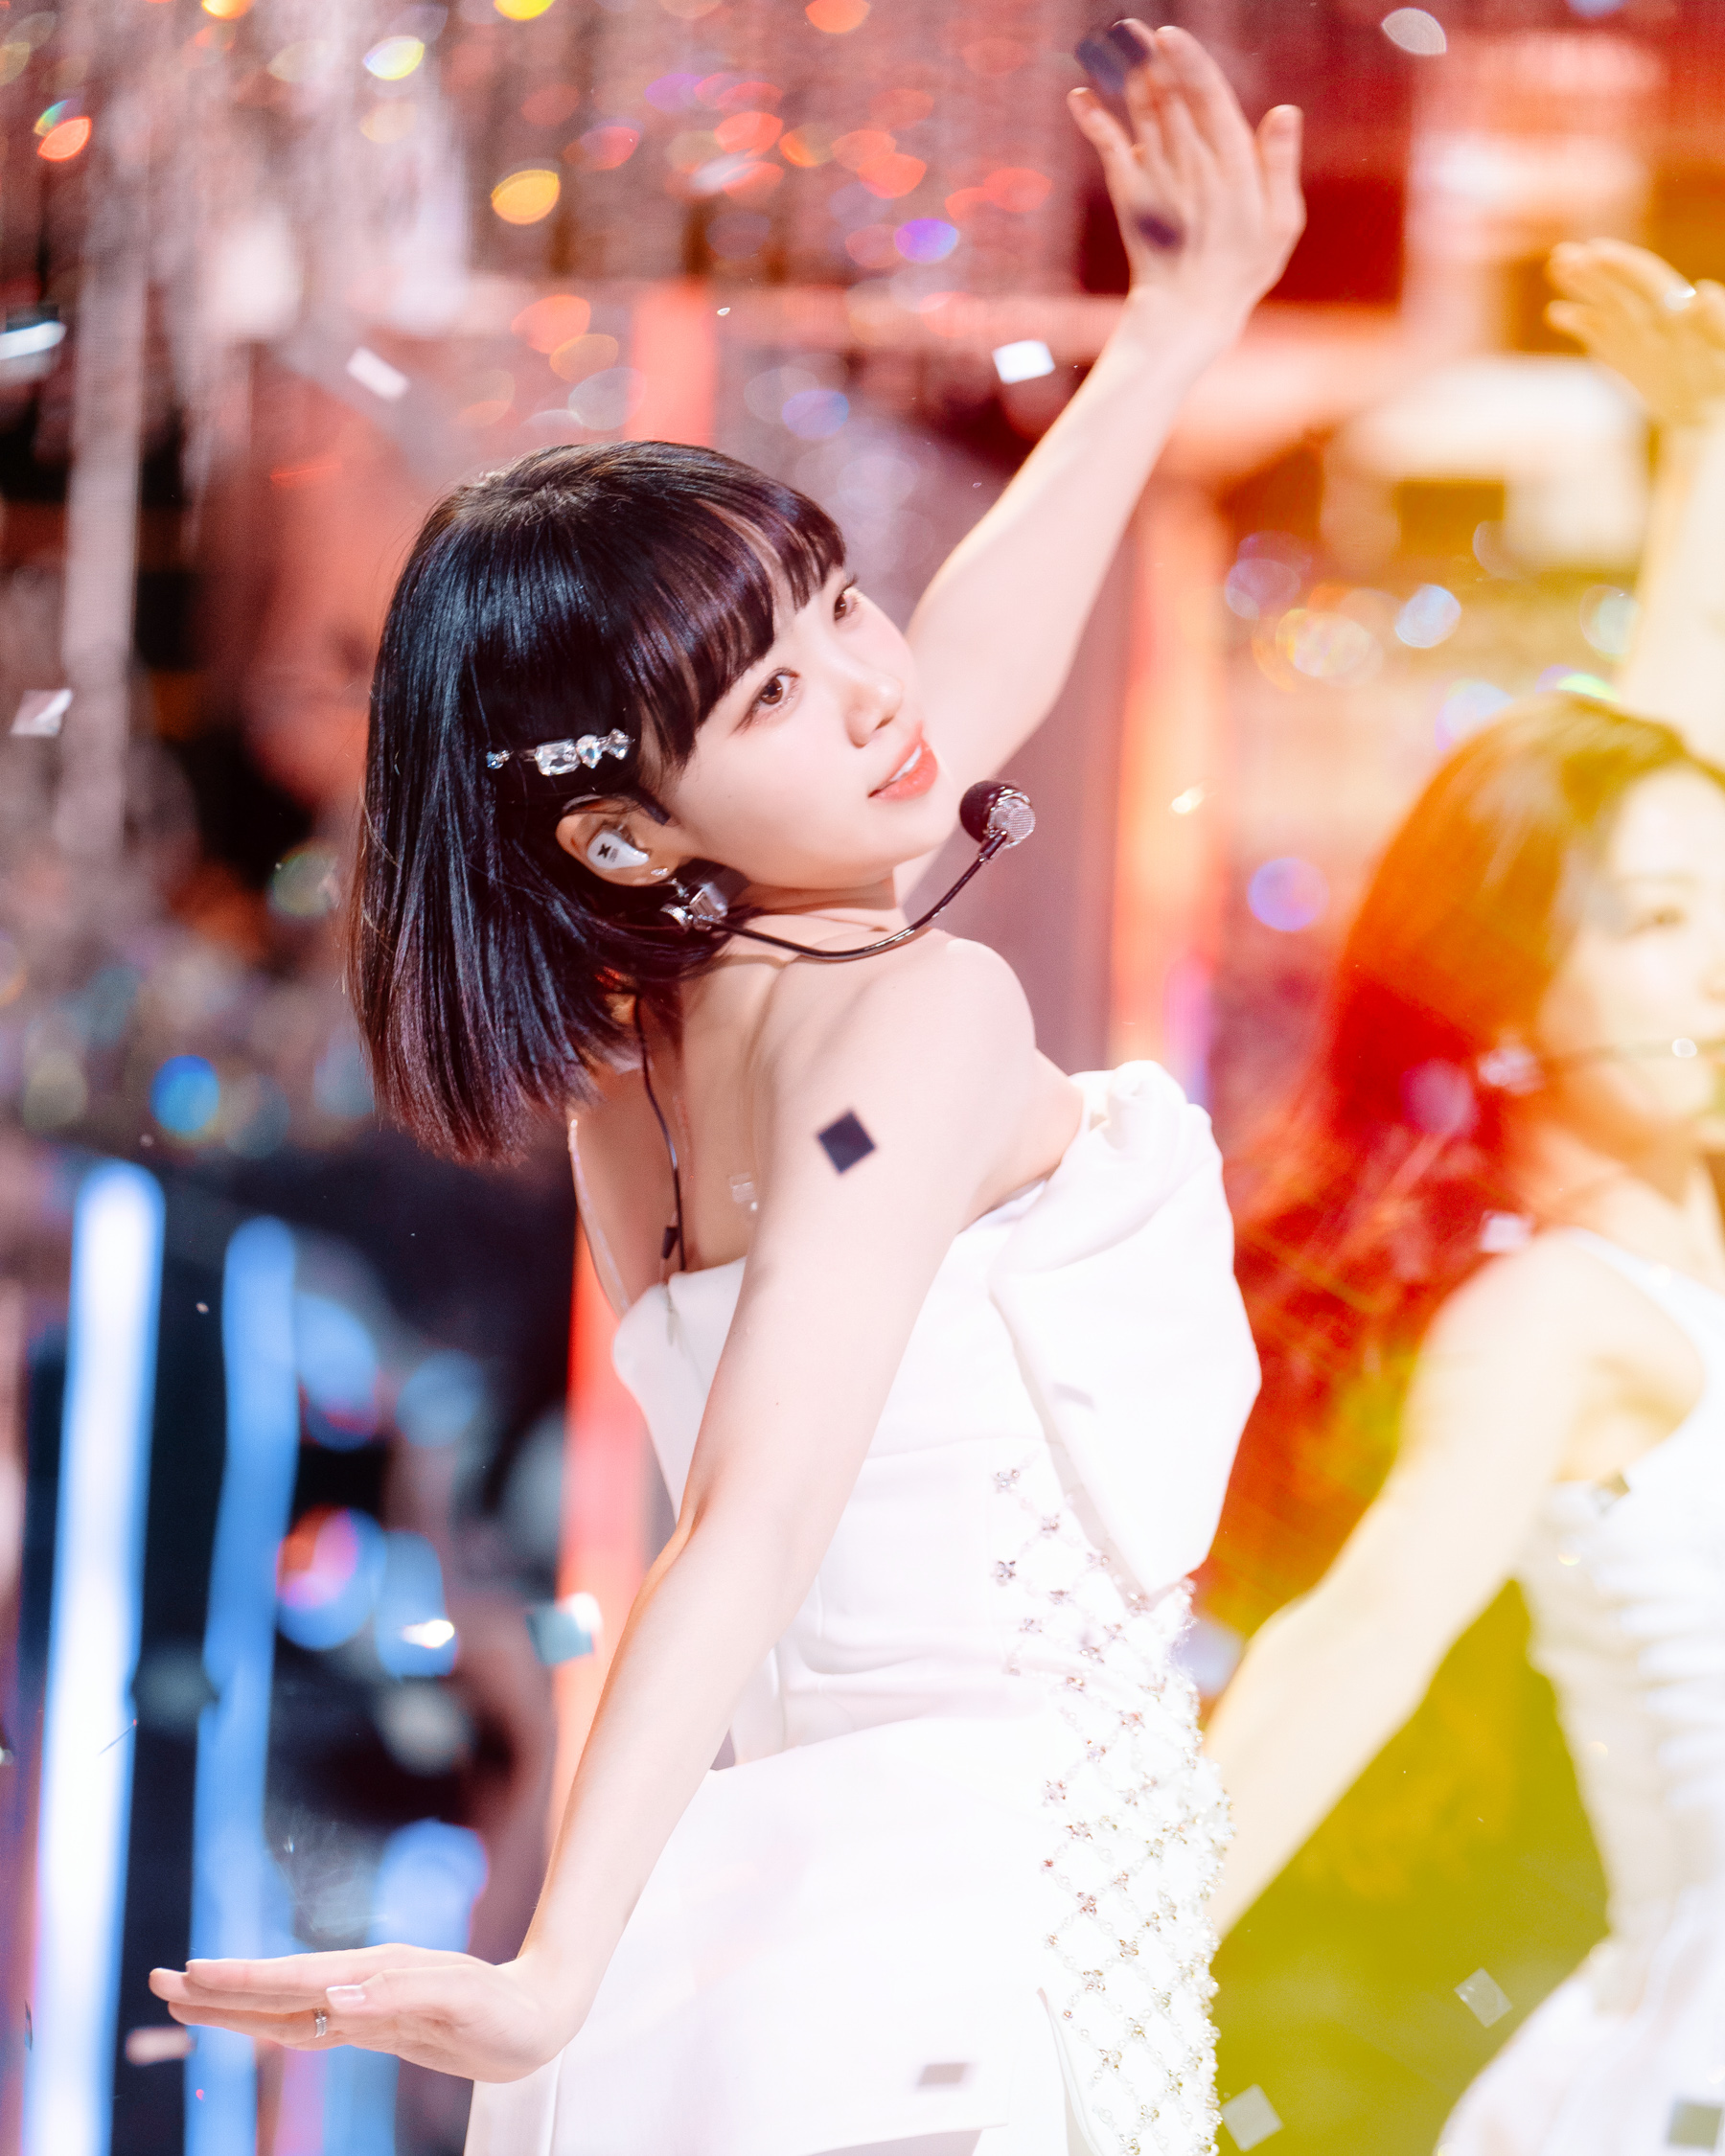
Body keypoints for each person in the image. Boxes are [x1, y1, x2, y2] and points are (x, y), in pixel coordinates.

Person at [150, 27, 1302, 2155]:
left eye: (839, 603)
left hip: (784, 1892)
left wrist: (1172, 331)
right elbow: (750, 1516)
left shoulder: (644, 1064)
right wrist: (546, 1971)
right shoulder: (917, 1019)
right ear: (621, 834)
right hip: (964, 1913)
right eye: (773, 688)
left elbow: (947, 685)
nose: (869, 688)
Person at [1204, 248, 1725, 2156]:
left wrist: (1705, 446)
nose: (1714, 956)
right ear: (1515, 999)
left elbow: (1650, 790)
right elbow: (1359, 1638)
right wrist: (1080, 1987)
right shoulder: (1556, 1319)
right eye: (1659, 927)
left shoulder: (1685, 1216)